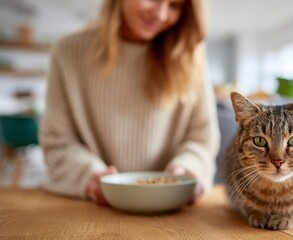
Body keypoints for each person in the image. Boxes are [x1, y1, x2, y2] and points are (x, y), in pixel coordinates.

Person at [39, 0, 220, 205]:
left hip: (171, 211)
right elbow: (57, 142)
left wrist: (189, 168)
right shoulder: (67, 52)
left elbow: (203, 138)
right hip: (88, 209)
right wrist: (88, 175)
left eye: (175, 5)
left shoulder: (191, 55)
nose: (161, 15)